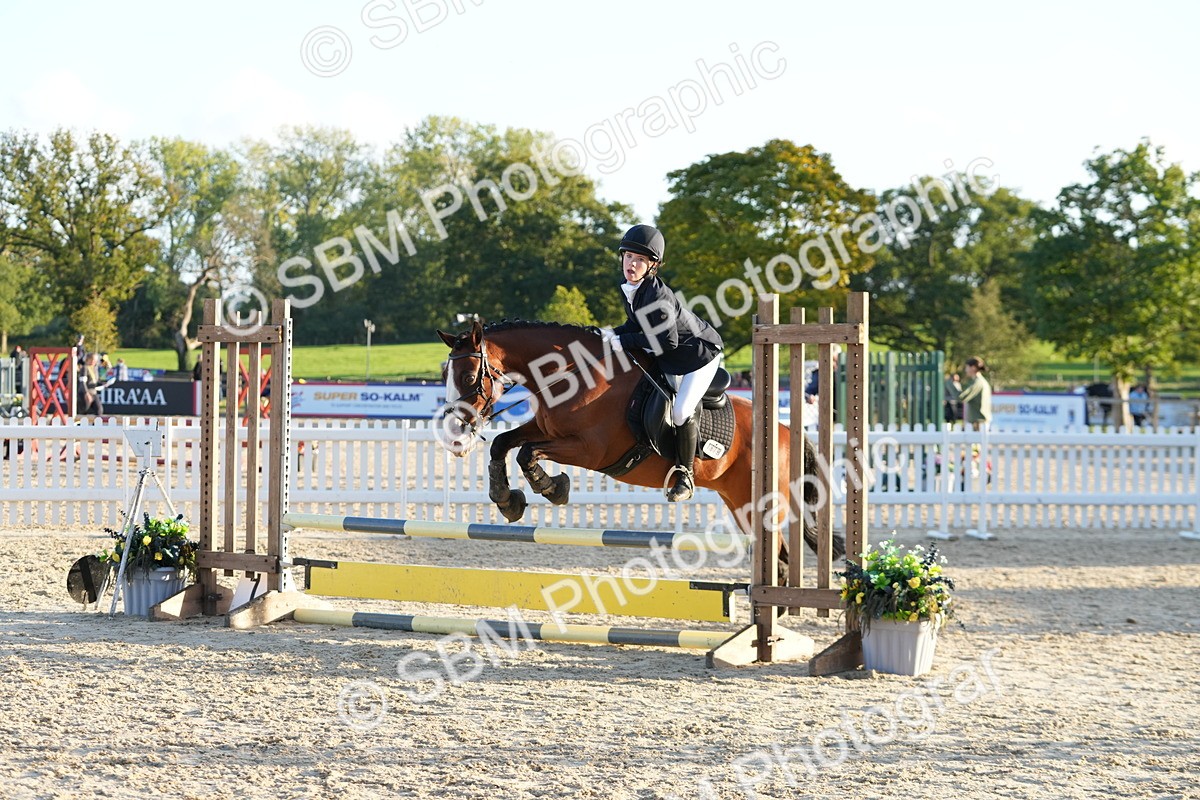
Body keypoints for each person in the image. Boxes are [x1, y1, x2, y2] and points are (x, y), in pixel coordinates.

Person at [600, 224, 723, 502]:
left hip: (698, 356)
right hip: (672, 355)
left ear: (652, 265)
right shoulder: (631, 289)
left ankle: (686, 474)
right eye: (629, 256)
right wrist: (608, 334)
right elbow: (635, 325)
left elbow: (666, 341)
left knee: (680, 411)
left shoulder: (657, 295)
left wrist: (624, 341)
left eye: (640, 259)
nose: (632, 263)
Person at [958, 356, 991, 430]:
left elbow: (962, 397)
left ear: (973, 368)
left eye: (967, 367)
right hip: (980, 420)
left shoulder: (977, 383)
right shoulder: (981, 381)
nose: (966, 370)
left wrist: (951, 384)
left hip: (978, 422)